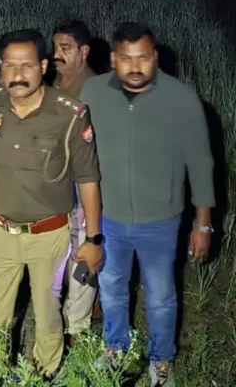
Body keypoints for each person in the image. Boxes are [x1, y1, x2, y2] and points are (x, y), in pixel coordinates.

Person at [0, 29, 103, 379]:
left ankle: (45, 372)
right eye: (9, 66)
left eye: (27, 66)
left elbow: (88, 179)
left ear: (43, 66)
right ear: (0, 68)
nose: (18, 75)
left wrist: (93, 239)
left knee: (47, 310)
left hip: (48, 234)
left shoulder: (70, 114)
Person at [80, 22, 215, 387]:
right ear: (114, 59)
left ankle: (161, 359)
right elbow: (79, 149)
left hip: (161, 220)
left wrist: (202, 223)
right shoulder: (92, 92)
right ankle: (117, 349)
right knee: (111, 288)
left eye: (143, 58)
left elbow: (201, 163)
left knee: (161, 296)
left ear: (155, 57)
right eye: (126, 59)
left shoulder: (181, 98)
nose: (135, 67)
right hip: (108, 217)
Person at [51, 19, 102, 344]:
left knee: (83, 255)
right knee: (59, 256)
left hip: (84, 186)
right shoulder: (57, 82)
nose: (57, 53)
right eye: (55, 47)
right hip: (57, 184)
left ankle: (77, 330)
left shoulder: (94, 90)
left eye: (65, 48)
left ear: (84, 51)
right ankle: (77, 316)